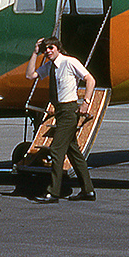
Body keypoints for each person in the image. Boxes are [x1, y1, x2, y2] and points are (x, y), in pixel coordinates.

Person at [25, 37, 96, 202]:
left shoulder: (69, 62)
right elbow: (30, 75)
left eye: (51, 48)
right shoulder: (50, 66)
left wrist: (86, 102)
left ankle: (53, 192)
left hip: (69, 110)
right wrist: (35, 53)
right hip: (60, 111)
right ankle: (88, 191)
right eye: (45, 49)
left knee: (56, 150)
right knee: (74, 153)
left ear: (58, 48)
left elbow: (90, 79)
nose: (48, 51)